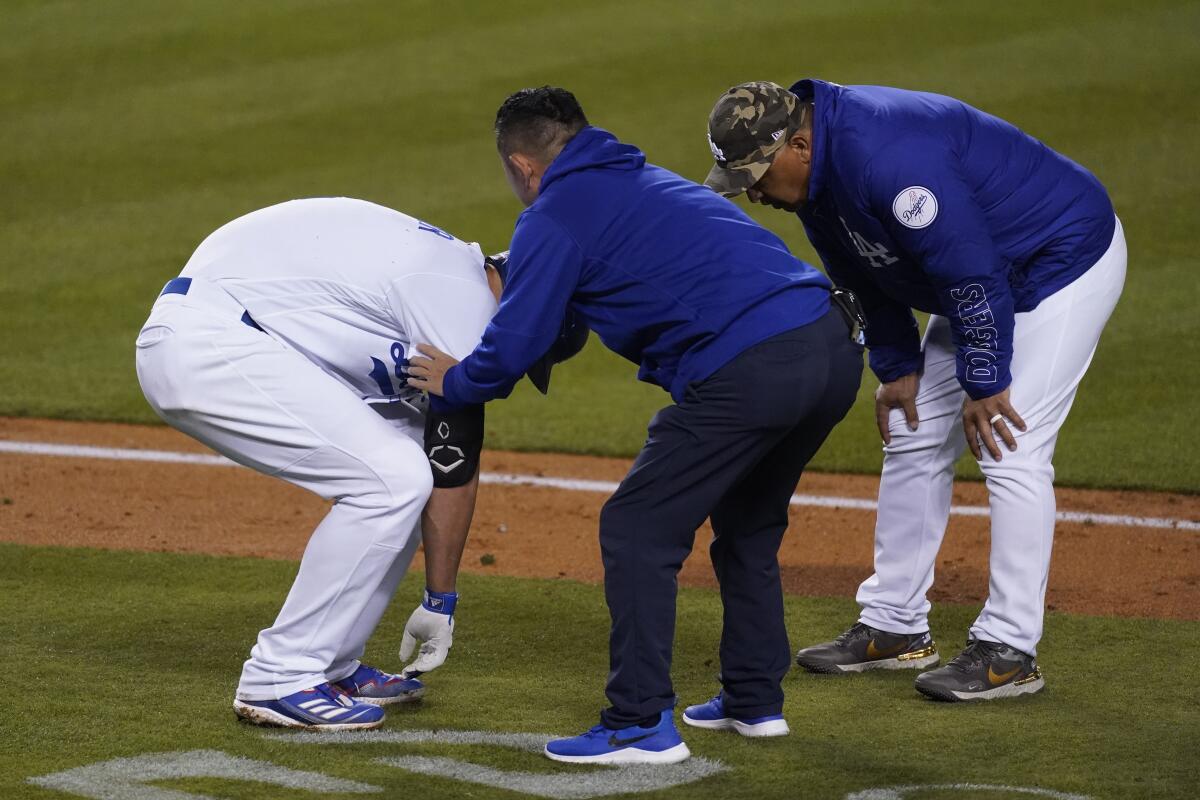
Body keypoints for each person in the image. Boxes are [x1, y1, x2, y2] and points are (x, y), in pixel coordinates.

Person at [405, 86, 864, 763]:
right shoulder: (637, 177)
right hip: (831, 345)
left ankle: (639, 722)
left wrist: (458, 379)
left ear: (524, 166)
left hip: (755, 364)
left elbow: (515, 344)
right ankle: (753, 699)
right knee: (748, 524)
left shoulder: (555, 214)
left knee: (637, 526)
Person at [703, 80, 1125, 701]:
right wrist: (897, 364)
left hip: (1057, 260)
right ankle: (895, 623)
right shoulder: (816, 177)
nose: (755, 193)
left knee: (1008, 445)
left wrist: (985, 379)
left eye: (758, 175)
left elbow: (969, 269)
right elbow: (859, 269)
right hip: (979, 277)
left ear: (798, 143)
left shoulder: (888, 159)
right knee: (913, 427)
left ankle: (1010, 649)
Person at [134, 197, 506, 730]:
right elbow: (458, 458)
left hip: (238, 334)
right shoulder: (464, 298)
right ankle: (278, 678)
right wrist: (440, 599)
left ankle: (330, 662)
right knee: (391, 479)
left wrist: (440, 597)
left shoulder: (447, 290)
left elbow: (431, 442)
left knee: (402, 462)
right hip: (208, 339)